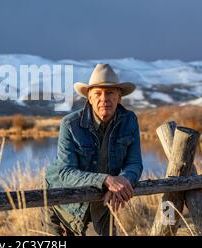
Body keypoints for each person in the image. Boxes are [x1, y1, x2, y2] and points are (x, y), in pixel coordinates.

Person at [44, 63, 143, 236]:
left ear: (119, 97)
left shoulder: (129, 120)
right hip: (63, 204)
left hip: (103, 202)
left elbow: (134, 162)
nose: (104, 98)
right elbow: (65, 173)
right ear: (89, 98)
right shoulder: (70, 124)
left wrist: (124, 180)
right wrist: (107, 180)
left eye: (110, 92)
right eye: (97, 93)